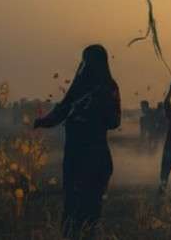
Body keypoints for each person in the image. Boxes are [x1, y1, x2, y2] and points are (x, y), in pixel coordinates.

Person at [34, 45, 121, 239]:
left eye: (89, 60)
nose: (86, 64)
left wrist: (95, 111)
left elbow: (114, 121)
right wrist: (43, 122)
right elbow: (62, 109)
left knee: (89, 209)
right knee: (72, 207)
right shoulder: (80, 86)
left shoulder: (107, 87)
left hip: (94, 154)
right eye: (85, 60)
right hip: (76, 155)